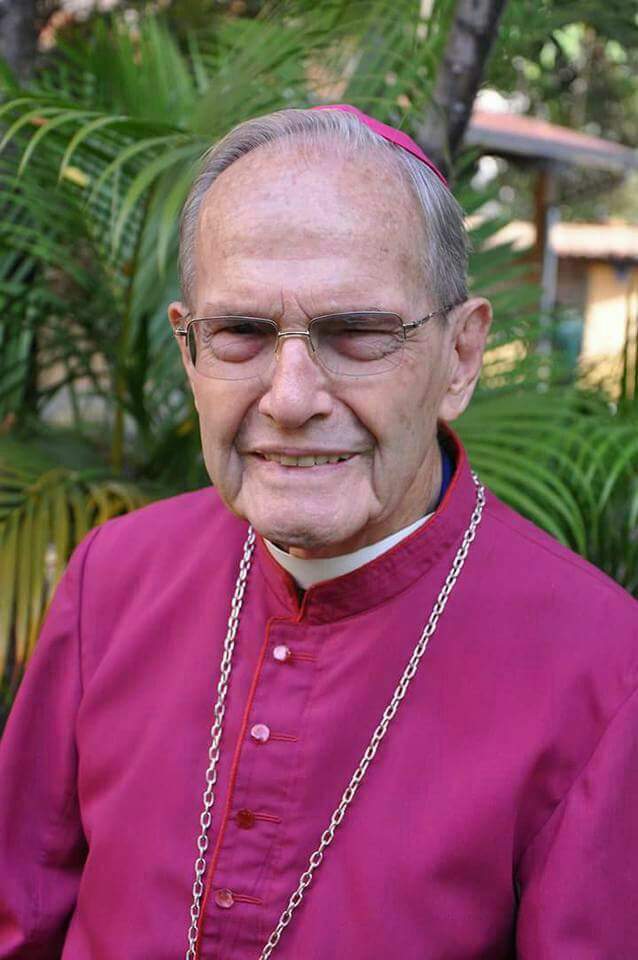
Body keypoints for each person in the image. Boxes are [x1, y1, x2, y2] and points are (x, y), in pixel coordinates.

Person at [0, 104, 636, 960]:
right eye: (240, 333)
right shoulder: (114, 573)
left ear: (460, 357)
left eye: (357, 333)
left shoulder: (604, 671)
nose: (291, 399)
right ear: (190, 351)